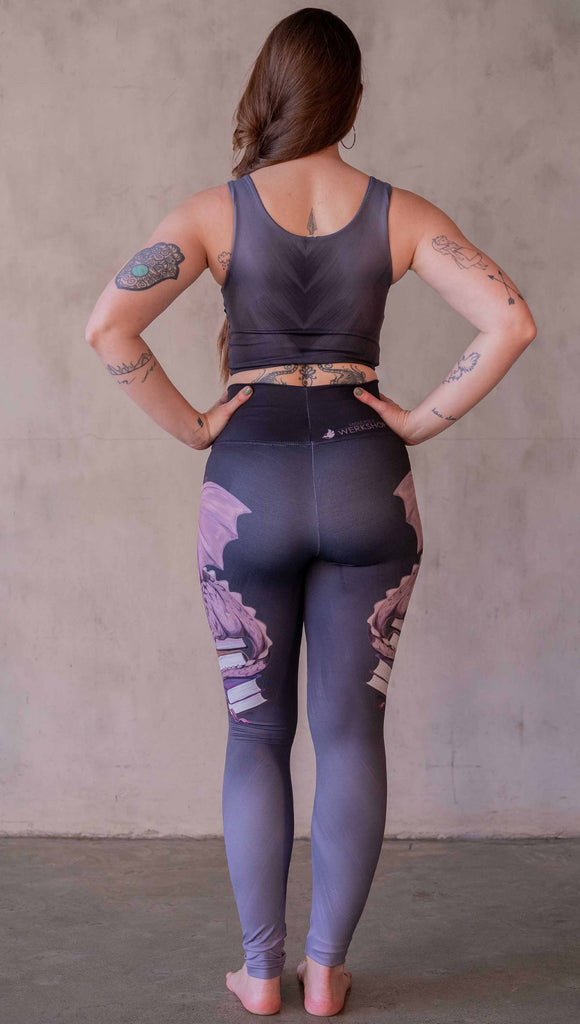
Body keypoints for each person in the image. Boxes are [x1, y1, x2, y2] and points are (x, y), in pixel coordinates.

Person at [85, 7, 537, 1017]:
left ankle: (261, 974)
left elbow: (108, 325)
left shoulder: (212, 213)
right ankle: (327, 972)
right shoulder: (400, 212)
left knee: (255, 734)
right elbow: (510, 321)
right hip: (369, 480)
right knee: (350, 732)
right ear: (353, 98)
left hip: (246, 487)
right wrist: (417, 418)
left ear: (266, 92)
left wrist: (194, 425)